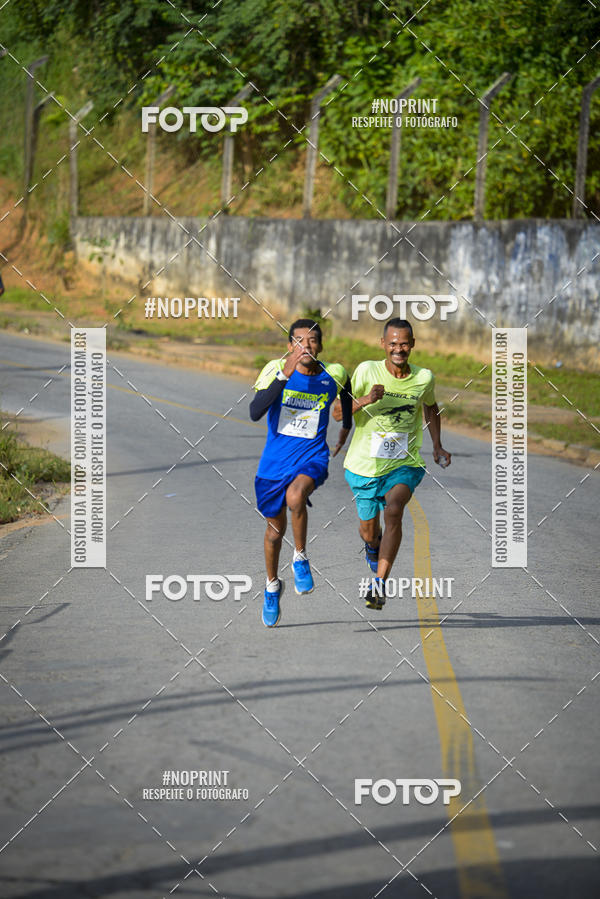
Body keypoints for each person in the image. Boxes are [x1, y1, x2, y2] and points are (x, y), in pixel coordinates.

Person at [332, 318, 451, 610]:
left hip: (404, 463)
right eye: (393, 343)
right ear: (383, 344)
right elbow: (338, 412)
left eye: (405, 343)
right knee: (369, 532)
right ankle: (373, 547)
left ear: (413, 344)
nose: (399, 349)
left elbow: (431, 406)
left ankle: (379, 585)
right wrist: (366, 399)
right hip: (363, 466)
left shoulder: (424, 377)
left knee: (395, 510)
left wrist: (436, 445)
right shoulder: (366, 370)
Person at [250, 319, 353, 627]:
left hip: (312, 458)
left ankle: (301, 557)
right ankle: (271, 586)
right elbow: (255, 411)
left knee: (296, 497)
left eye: (311, 342)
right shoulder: (273, 369)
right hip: (273, 465)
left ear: (320, 346)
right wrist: (285, 373)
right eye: (297, 341)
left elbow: (345, 396)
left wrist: (345, 427)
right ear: (289, 346)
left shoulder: (333, 373)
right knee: (273, 532)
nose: (304, 347)